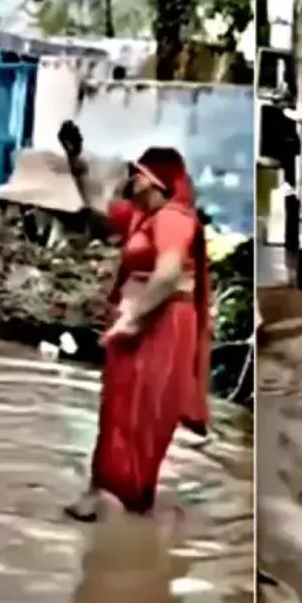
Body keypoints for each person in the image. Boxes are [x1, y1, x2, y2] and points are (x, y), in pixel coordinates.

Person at [60, 126, 211, 521]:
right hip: (141, 322)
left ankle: (126, 498)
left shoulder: (174, 218)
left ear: (158, 181)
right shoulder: (142, 217)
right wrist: (75, 160)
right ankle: (109, 495)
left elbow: (168, 274)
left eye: (139, 173)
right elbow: (97, 206)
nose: (132, 178)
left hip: (160, 324)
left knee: (143, 410)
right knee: (117, 407)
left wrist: (131, 318)